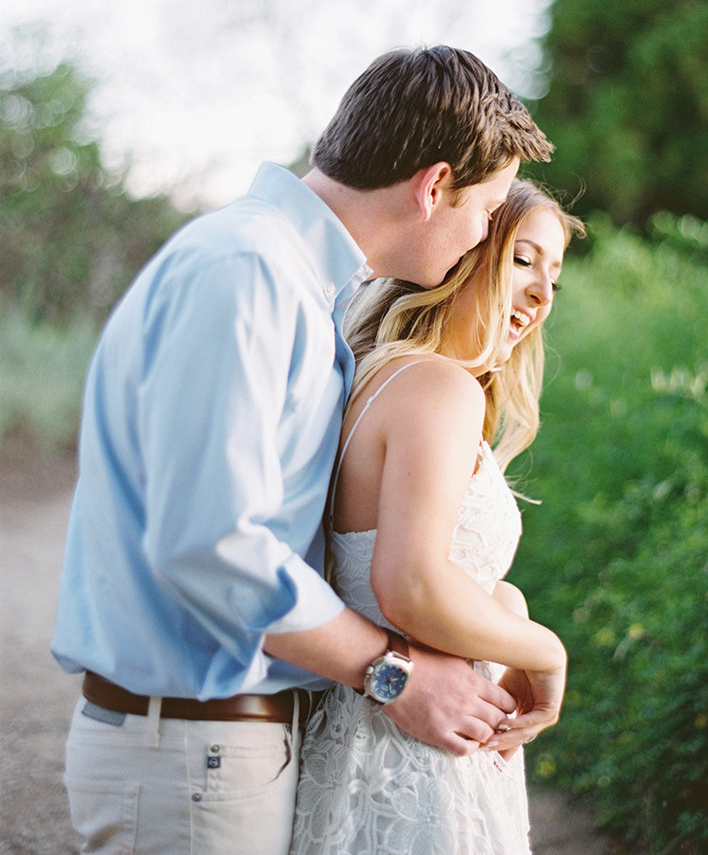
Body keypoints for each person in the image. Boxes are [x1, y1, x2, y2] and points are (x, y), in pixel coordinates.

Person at [50, 46, 554, 854]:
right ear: (433, 187)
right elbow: (212, 545)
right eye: (485, 211)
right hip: (191, 754)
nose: (482, 241)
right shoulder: (246, 274)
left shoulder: (293, 282)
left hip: (215, 752)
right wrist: (396, 675)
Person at [290, 179, 586, 855]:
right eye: (523, 259)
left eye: (555, 277)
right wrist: (546, 649)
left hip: (394, 737)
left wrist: (503, 606)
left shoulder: (388, 379)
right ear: (467, 248)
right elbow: (411, 584)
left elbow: (388, 569)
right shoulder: (436, 386)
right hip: (410, 755)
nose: (543, 295)